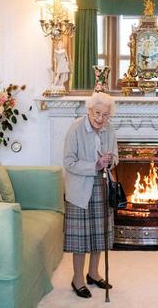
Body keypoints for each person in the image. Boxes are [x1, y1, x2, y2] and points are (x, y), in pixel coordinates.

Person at [63, 92, 118, 299]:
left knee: (99, 234)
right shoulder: (76, 129)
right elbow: (68, 162)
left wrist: (110, 160)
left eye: (105, 115)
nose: (100, 119)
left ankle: (93, 273)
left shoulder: (109, 129)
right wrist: (94, 165)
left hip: (102, 185)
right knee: (81, 238)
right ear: (89, 110)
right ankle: (77, 279)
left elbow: (116, 157)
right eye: (97, 113)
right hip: (80, 188)